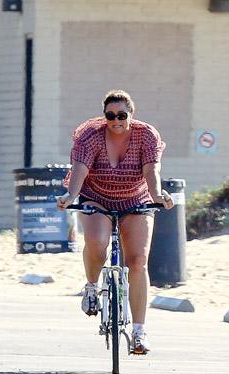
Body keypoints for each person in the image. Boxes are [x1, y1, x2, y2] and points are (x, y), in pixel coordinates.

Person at [57, 89, 174, 355]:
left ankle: (139, 332)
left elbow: (151, 169)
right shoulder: (90, 135)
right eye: (110, 115)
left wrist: (158, 195)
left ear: (131, 114)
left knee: (137, 261)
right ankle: (90, 286)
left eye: (122, 115)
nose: (116, 120)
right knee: (97, 242)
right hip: (97, 196)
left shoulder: (146, 135)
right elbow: (80, 169)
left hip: (135, 199)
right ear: (104, 116)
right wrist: (70, 195)